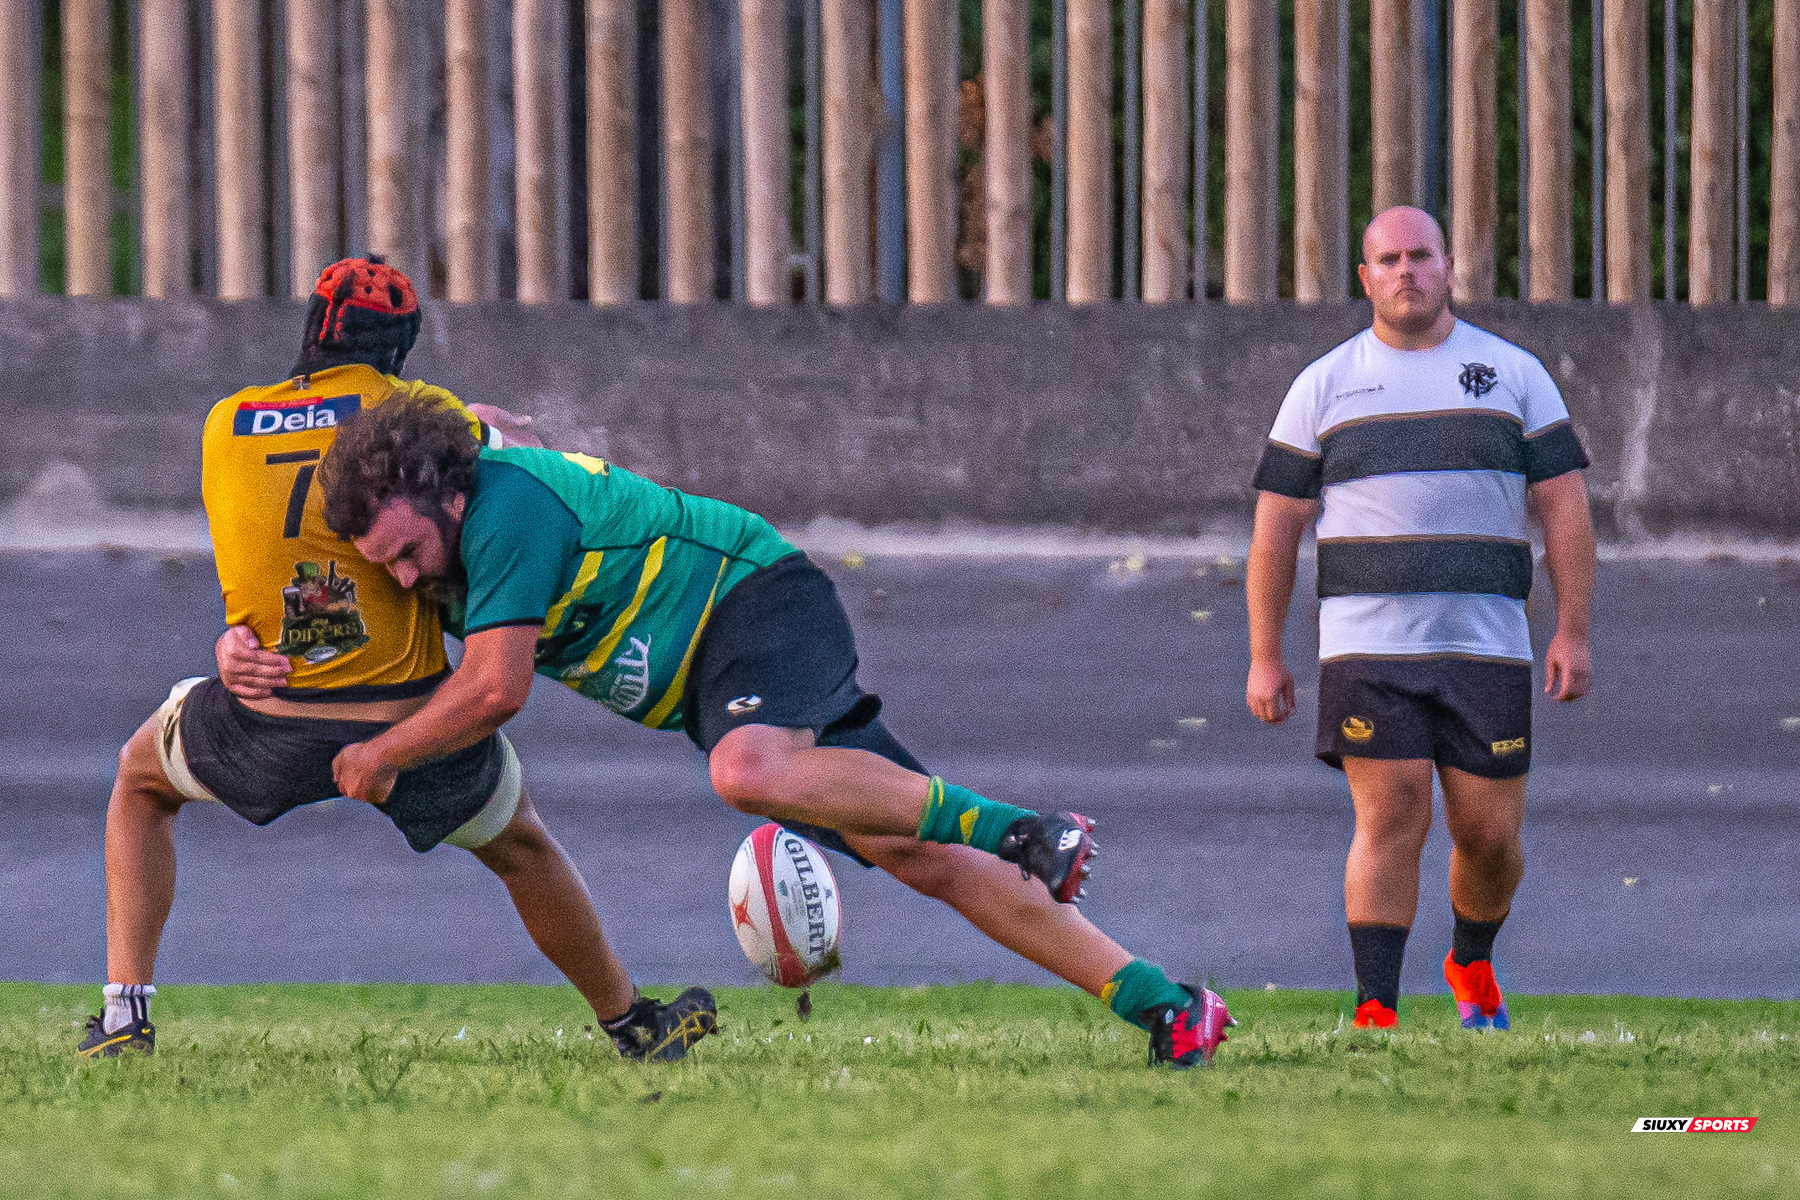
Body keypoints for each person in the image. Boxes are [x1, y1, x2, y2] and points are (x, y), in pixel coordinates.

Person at [233, 385, 1235, 1068]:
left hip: (750, 600)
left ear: (445, 493)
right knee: (914, 852)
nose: (404, 580)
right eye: (388, 568)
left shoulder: (505, 514)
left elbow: (496, 691)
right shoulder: (442, 525)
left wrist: (378, 753)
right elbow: (321, 626)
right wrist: (242, 648)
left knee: (747, 772)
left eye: (407, 552)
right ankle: (1167, 1007)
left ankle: (1023, 830)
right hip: (716, 673)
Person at [81, 258, 716, 1063]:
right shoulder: (413, 411)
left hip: (267, 715)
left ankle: (124, 1017)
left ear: (311, 330)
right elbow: (517, 460)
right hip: (412, 718)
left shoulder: (223, 421)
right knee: (522, 847)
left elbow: (266, 553)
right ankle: (632, 1024)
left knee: (140, 780)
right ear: (397, 352)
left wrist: (231, 645)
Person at [1244, 207, 1594, 1031]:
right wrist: (1265, 654)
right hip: (1368, 647)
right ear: (1365, 278)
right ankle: (1376, 1013)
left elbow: (1565, 509)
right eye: (1388, 259)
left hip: (1488, 647)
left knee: (1488, 837)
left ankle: (1471, 962)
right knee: (1393, 811)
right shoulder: (1324, 385)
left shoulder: (1513, 375)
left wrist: (1571, 630)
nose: (1406, 271)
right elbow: (1275, 527)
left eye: (1421, 256)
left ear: (1448, 267)